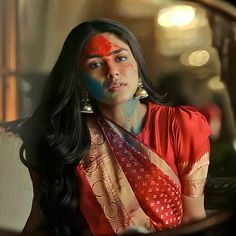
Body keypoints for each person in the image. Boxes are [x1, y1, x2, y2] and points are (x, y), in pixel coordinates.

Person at [19, 18, 211, 236]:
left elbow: (194, 218)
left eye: (120, 58)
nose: (112, 71)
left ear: (137, 63)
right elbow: (40, 221)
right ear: (79, 80)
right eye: (96, 64)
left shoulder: (181, 125)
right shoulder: (64, 138)